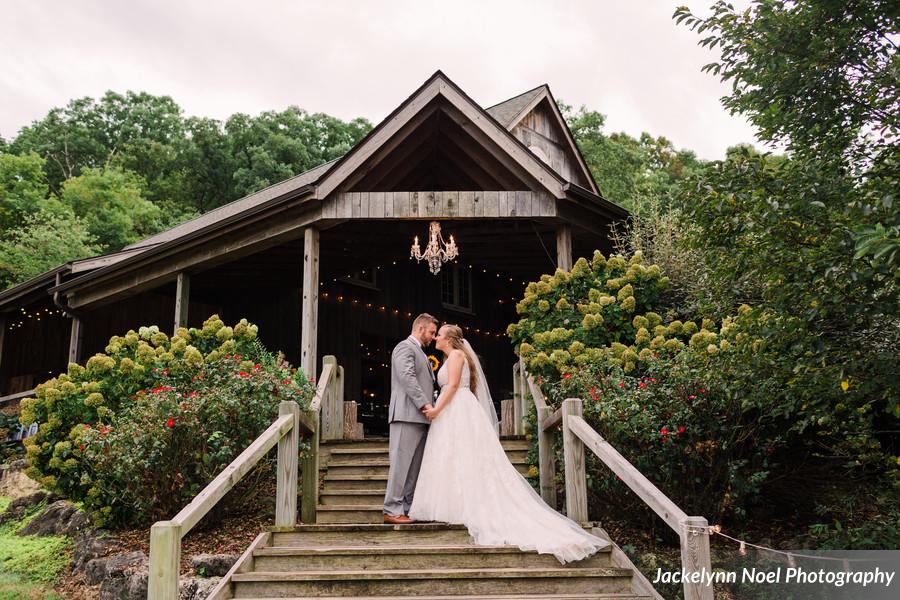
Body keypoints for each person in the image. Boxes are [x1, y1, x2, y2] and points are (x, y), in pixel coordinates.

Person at [408, 324, 610, 564]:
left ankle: (462, 505)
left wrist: (436, 410)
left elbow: (451, 386)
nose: (436, 338)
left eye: (439, 335)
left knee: (460, 454)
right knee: (453, 456)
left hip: (455, 409)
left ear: (449, 339)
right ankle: (452, 504)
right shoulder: (452, 356)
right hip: (454, 409)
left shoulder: (457, 355)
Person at [382, 313, 439, 524]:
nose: (433, 337)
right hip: (406, 415)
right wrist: (425, 404)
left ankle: (406, 508)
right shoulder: (404, 347)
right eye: (432, 332)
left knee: (414, 469)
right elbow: (407, 377)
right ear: (420, 328)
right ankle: (391, 509)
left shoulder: (421, 352)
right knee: (400, 464)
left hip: (420, 418)